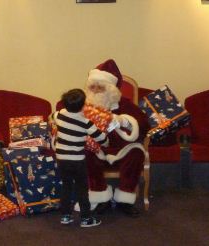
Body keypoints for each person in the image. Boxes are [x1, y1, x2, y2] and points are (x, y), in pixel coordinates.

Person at [82, 59, 150, 218]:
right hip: (97, 149)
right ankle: (101, 198)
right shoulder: (84, 105)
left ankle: (125, 200)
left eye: (101, 86)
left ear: (111, 89)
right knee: (86, 153)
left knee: (137, 153)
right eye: (93, 86)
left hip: (122, 150)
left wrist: (124, 121)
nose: (97, 90)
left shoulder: (125, 105)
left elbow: (144, 124)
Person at [52, 88, 108, 227]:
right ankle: (85, 218)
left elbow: (51, 117)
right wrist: (106, 140)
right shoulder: (85, 122)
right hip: (77, 160)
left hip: (61, 159)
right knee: (82, 189)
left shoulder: (58, 115)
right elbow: (102, 138)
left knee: (66, 187)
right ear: (83, 105)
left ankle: (65, 215)